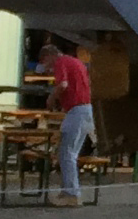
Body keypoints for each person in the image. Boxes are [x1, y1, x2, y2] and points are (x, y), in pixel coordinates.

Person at [35, 35, 95, 206]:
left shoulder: (61, 63)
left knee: (67, 153)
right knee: (68, 152)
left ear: (49, 56)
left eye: (46, 63)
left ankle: (72, 193)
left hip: (77, 110)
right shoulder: (76, 62)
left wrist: (51, 99)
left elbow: (63, 85)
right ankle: (67, 190)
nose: (48, 68)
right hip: (84, 109)